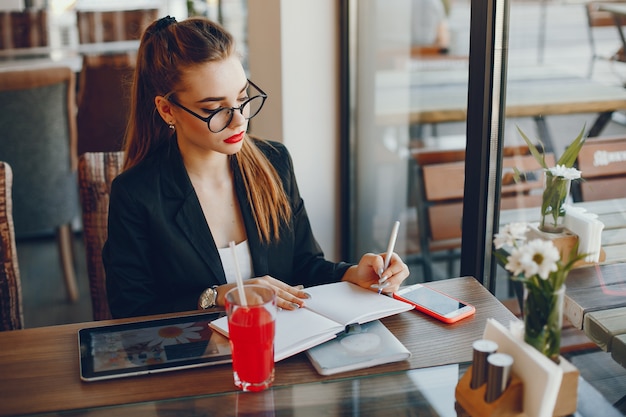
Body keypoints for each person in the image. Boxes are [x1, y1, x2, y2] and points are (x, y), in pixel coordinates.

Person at [103, 15, 410, 319]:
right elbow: (131, 312)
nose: (239, 120)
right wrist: (218, 296)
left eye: (242, 97)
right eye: (214, 109)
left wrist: (352, 274)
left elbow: (304, 266)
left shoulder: (274, 163)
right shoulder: (136, 194)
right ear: (167, 109)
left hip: (282, 350)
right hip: (199, 361)